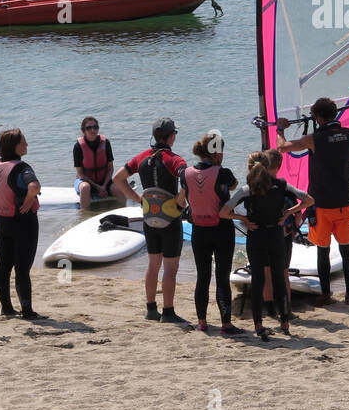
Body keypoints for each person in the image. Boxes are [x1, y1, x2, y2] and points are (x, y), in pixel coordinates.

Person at [277, 97, 349, 306]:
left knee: (323, 250)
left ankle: (326, 295)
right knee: (346, 249)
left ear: (316, 117)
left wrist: (280, 129)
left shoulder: (313, 139)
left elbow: (283, 148)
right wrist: (339, 156)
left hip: (322, 206)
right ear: (335, 114)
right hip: (345, 203)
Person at [221, 150, 312, 339]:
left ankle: (259, 325)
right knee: (279, 279)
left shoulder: (247, 190)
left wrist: (243, 219)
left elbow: (223, 212)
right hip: (276, 235)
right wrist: (288, 213)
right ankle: (285, 322)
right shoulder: (281, 185)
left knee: (258, 281)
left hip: (256, 236)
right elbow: (309, 200)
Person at [113, 118, 190, 325]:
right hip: (170, 219)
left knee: (153, 264)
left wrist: (138, 199)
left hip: (150, 218)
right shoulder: (175, 160)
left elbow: (117, 178)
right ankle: (168, 311)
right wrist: (180, 200)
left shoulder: (141, 158)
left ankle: (150, 309)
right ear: (171, 136)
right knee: (171, 268)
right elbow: (187, 179)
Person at [177, 132, 243, 335]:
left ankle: (202, 322)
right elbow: (233, 186)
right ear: (217, 153)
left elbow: (181, 201)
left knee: (202, 277)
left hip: (199, 231)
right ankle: (226, 325)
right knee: (222, 277)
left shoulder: (184, 174)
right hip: (222, 230)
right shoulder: (223, 172)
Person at [0, 128, 42, 319]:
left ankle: (7, 308)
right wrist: (29, 199)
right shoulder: (21, 167)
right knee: (22, 268)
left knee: (4, 265)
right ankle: (27, 312)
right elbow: (34, 186)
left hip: (3, 222)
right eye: (23, 142)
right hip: (23, 223)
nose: (27, 145)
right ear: (15, 146)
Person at [73, 116, 117, 209]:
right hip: (85, 181)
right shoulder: (78, 146)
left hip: (104, 181)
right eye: (89, 128)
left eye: (95, 127)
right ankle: (84, 215)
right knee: (85, 188)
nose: (93, 130)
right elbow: (80, 173)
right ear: (83, 130)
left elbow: (110, 168)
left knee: (117, 188)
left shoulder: (106, 143)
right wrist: (98, 187)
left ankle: (122, 214)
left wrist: (104, 185)